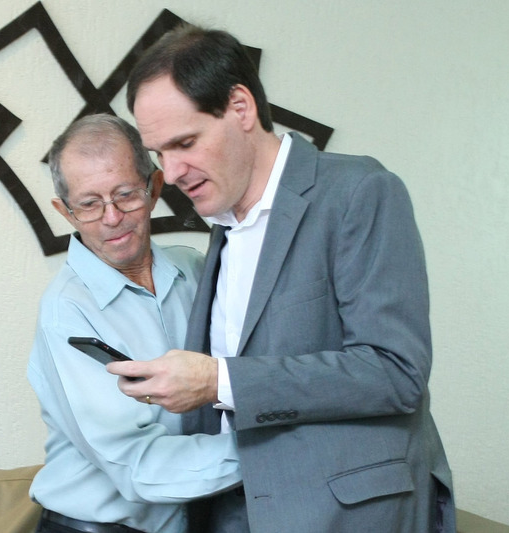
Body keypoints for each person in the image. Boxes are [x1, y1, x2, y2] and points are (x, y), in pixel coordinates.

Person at [106, 25, 455, 532]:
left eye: (184, 143)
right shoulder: (224, 225)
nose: (173, 172)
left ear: (241, 107)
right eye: (160, 153)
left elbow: (396, 372)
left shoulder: (359, 191)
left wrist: (217, 381)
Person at [27, 113, 241, 533]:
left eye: (125, 195)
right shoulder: (66, 310)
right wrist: (275, 452)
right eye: (89, 204)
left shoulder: (195, 270)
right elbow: (138, 467)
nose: (112, 217)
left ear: (154, 188)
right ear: (66, 212)